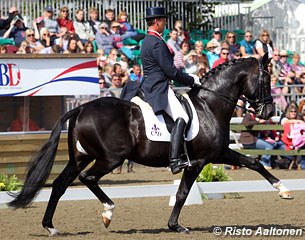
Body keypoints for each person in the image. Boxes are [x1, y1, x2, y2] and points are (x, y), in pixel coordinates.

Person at [140, 7, 200, 174]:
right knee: (182, 116)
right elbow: (171, 71)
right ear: (157, 22)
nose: (165, 25)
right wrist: (191, 80)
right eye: (164, 22)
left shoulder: (147, 40)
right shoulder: (157, 42)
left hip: (151, 83)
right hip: (159, 86)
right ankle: (174, 160)